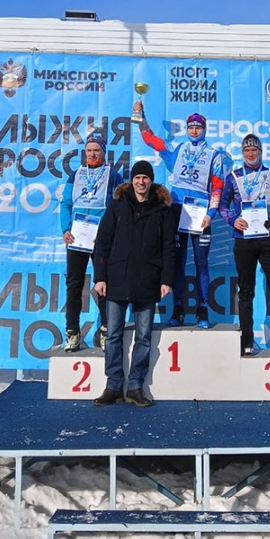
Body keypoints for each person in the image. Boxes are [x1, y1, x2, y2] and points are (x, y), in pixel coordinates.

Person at [92, 160, 175, 408]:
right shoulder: (117, 206)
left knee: (144, 338)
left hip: (148, 280)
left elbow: (169, 248)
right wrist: (100, 277)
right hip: (116, 278)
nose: (141, 182)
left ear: (151, 181)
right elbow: (103, 242)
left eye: (145, 178)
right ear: (132, 181)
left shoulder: (163, 210)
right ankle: (113, 386)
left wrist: (166, 279)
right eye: (137, 177)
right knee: (113, 335)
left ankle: (136, 386)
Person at [134, 101, 224, 328]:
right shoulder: (178, 150)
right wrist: (140, 116)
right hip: (177, 210)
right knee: (177, 261)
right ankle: (178, 309)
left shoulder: (214, 155)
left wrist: (211, 214)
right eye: (191, 127)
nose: (194, 130)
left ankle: (203, 310)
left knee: (202, 262)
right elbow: (150, 139)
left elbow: (217, 187)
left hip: (201, 213)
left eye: (198, 127)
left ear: (204, 129)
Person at [219, 134, 270, 356]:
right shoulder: (233, 177)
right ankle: (246, 340)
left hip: (267, 236)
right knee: (246, 291)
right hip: (244, 238)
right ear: (242, 153)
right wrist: (232, 219)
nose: (251, 154)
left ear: (260, 152)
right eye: (247, 150)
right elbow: (223, 205)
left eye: (254, 150)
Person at [59, 133, 123, 352]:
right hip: (77, 237)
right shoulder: (75, 175)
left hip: (101, 238)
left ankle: (106, 330)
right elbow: (66, 204)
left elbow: (119, 207)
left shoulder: (113, 176)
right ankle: (72, 333)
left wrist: (108, 231)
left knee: (104, 284)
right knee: (74, 285)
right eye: (89, 150)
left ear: (104, 152)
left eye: (96, 150)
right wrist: (65, 229)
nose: (92, 154)